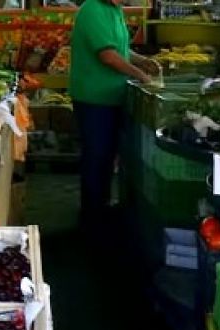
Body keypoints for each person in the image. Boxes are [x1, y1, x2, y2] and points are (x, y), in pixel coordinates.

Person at [68, 0, 158, 233]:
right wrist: (140, 75)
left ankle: (102, 209)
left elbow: (121, 50)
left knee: (107, 157)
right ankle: (92, 218)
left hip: (112, 97)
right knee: (97, 157)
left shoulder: (114, 11)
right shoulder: (92, 10)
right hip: (93, 98)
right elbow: (108, 55)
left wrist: (142, 61)